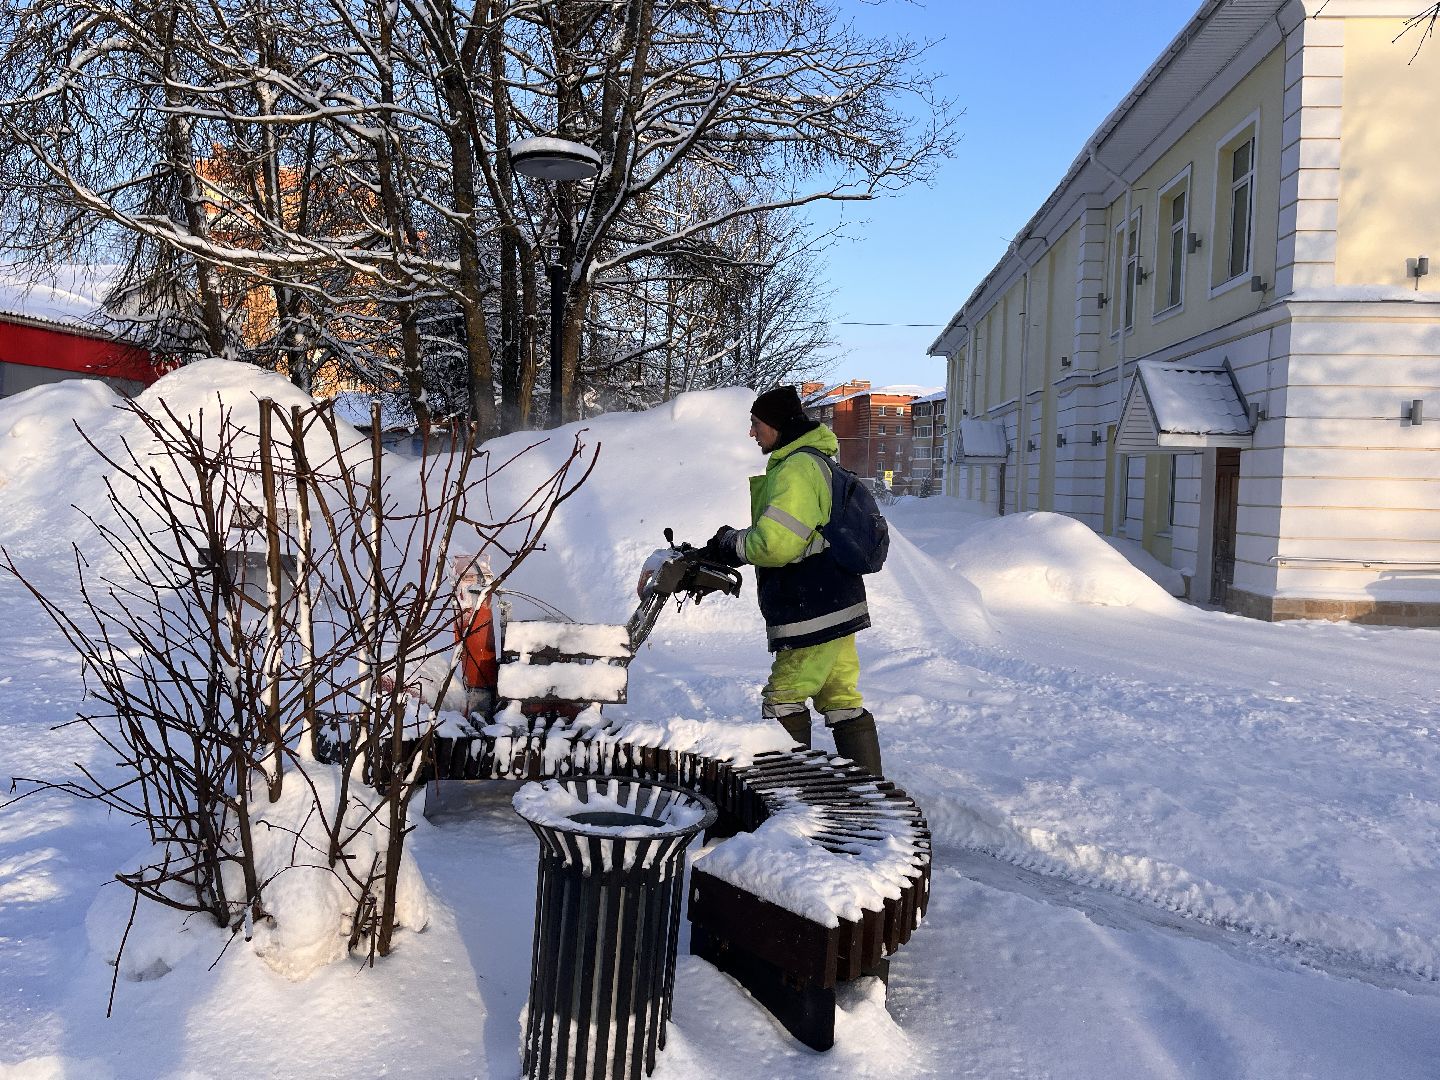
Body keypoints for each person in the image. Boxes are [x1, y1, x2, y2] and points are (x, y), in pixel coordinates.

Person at [702, 385, 883, 776]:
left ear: (778, 425)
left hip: (810, 604)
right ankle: (868, 792)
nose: (752, 432)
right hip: (836, 599)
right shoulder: (816, 461)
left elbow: (777, 544)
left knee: (784, 696)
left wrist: (731, 543)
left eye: (756, 423)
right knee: (840, 698)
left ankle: (789, 796)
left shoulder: (797, 468)